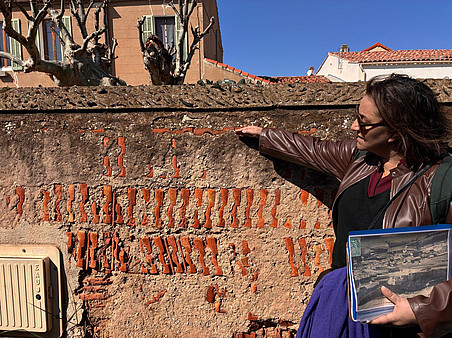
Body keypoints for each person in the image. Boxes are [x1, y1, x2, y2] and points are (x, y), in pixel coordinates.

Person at [236, 74, 452, 337]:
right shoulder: (361, 159)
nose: (353, 126)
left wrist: (420, 310)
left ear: (396, 131)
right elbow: (313, 150)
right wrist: (265, 135)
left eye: (364, 122)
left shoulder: (442, 180)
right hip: (340, 307)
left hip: (400, 326)